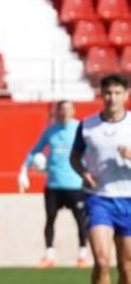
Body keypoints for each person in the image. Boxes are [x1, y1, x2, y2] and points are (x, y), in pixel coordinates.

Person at [69, 74, 131, 284]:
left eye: (117, 93)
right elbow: (74, 156)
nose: (112, 98)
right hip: (99, 199)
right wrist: (83, 172)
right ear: (101, 94)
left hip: (128, 200)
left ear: (126, 95)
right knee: (103, 261)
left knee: (128, 268)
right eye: (107, 93)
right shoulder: (87, 126)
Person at [18, 100, 87, 268]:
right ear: (57, 112)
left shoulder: (80, 129)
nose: (64, 113)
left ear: (73, 111)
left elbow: (92, 150)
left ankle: (82, 255)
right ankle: (49, 255)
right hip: (53, 185)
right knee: (50, 220)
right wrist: (23, 170)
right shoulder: (50, 131)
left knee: (80, 221)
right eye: (61, 110)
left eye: (68, 109)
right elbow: (35, 151)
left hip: (75, 184)